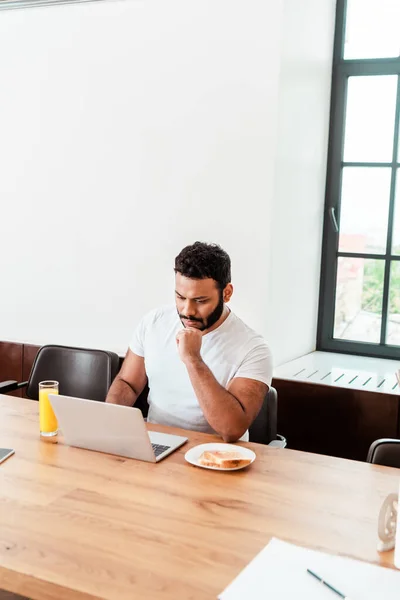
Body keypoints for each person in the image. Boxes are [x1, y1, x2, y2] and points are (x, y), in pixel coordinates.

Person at [106, 241, 273, 442]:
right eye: (180, 297)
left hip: (215, 456)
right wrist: (110, 420)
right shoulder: (154, 322)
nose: (187, 311)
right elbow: (128, 383)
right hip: (155, 446)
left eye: (200, 301)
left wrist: (193, 359)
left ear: (226, 293)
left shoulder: (254, 349)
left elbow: (231, 429)